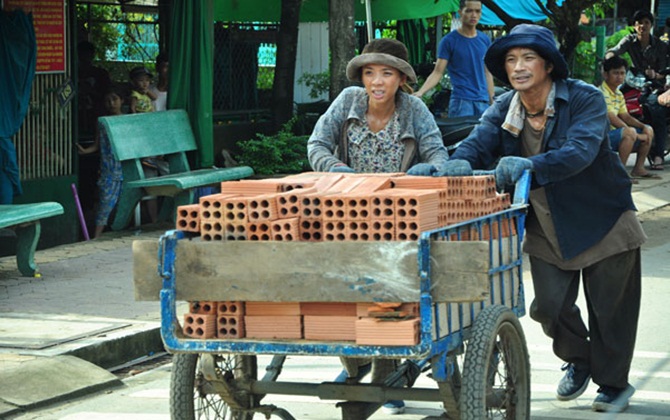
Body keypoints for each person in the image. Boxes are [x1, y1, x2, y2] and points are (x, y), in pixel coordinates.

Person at [440, 24, 644, 413]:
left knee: (611, 312)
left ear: (548, 65)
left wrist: (528, 164)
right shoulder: (504, 106)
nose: (517, 67)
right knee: (546, 307)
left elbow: (580, 151)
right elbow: (478, 141)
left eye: (527, 58)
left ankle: (614, 383)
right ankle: (580, 358)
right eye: (511, 60)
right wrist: (454, 164)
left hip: (603, 218)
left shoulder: (584, 99)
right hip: (547, 225)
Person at [307, 38, 450, 414]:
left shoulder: (415, 110)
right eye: (370, 73)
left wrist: (427, 169)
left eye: (386, 73)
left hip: (399, 217)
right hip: (348, 213)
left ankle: (386, 377)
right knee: (342, 293)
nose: (377, 81)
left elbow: (439, 154)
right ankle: (357, 364)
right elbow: (317, 144)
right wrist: (336, 169)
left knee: (389, 295)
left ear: (402, 79)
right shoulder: (347, 101)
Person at [606, 9, 668, 170]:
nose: (642, 26)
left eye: (646, 23)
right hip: (635, 81)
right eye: (639, 23)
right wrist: (609, 57)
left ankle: (658, 154)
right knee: (616, 99)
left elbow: (664, 70)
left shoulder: (661, 46)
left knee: (656, 109)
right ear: (634, 26)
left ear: (651, 25)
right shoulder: (630, 40)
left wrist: (656, 75)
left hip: (654, 85)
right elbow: (616, 50)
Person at [412, 0, 494, 118]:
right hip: (462, 102)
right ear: (460, 12)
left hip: (483, 102)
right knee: (461, 136)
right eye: (469, 11)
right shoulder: (449, 41)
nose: (474, 15)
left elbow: (487, 73)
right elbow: (437, 72)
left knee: (485, 136)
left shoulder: (484, 40)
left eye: (477, 11)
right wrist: (420, 92)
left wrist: (492, 101)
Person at [600, 56, 660, 181]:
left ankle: (638, 168)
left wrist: (643, 127)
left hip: (615, 134)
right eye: (615, 73)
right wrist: (634, 133)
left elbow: (625, 116)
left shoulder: (618, 93)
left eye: (622, 73)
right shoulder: (601, 92)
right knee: (629, 132)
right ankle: (619, 173)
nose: (620, 77)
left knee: (647, 129)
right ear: (606, 74)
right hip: (601, 136)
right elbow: (610, 117)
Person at [78, 87, 125, 239]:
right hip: (108, 168)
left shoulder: (128, 120)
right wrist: (85, 151)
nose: (111, 103)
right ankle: (97, 236)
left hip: (125, 166)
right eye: (108, 101)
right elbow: (97, 144)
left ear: (122, 101)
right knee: (105, 201)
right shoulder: (102, 122)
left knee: (124, 202)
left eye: (114, 99)